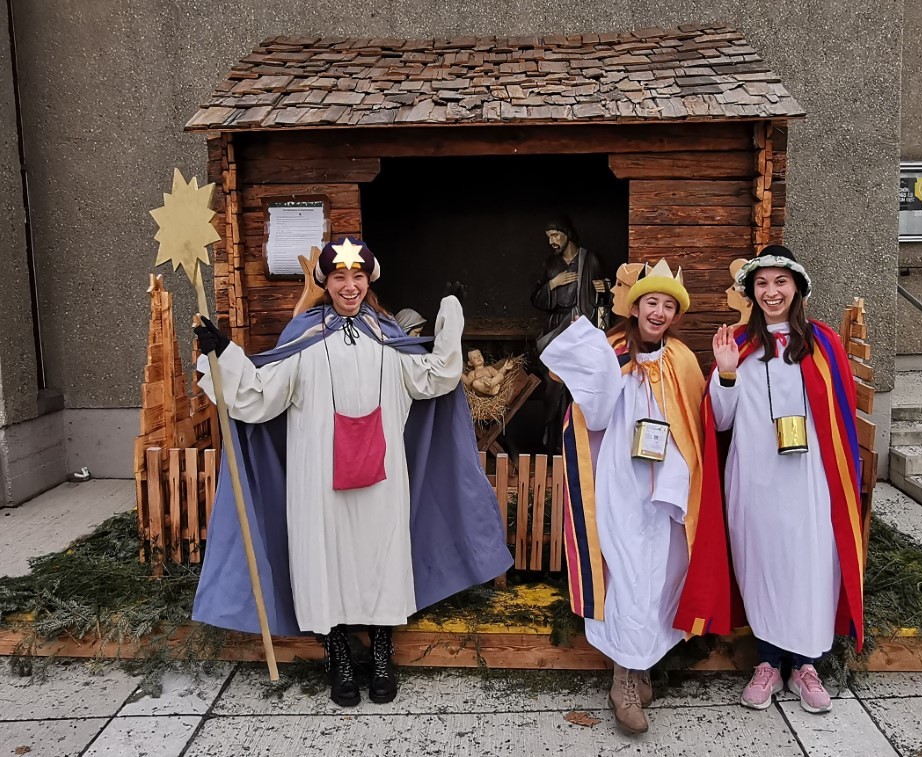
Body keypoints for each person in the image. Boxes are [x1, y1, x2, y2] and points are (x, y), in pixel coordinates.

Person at [191, 237, 513, 706]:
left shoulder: (386, 336)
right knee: (323, 559)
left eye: (357, 276)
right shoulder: (303, 338)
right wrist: (224, 353)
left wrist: (449, 321)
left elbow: (434, 377)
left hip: (382, 479)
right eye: (340, 276)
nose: (349, 286)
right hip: (317, 480)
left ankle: (381, 652)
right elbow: (258, 393)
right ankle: (338, 654)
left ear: (368, 280)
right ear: (325, 283)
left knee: (380, 557)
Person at [674, 245, 864, 715]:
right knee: (762, 566)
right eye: (762, 283)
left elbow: (840, 422)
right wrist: (725, 373)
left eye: (780, 281)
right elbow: (720, 422)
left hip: (807, 481)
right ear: (751, 291)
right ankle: (768, 663)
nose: (771, 291)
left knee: (808, 567)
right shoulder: (738, 344)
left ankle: (806, 666)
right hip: (754, 479)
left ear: (797, 287)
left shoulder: (822, 344)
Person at [540, 259, 705, 734]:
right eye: (651, 301)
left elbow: (696, 422)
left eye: (668, 305)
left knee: (662, 578)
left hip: (668, 491)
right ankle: (622, 682)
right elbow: (592, 415)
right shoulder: (611, 351)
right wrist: (593, 365)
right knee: (628, 577)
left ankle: (642, 664)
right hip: (621, 484)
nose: (659, 312)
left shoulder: (682, 360)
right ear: (635, 307)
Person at [530, 217, 603, 454]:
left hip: (580, 330)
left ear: (567, 233)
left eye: (555, 235)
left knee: (577, 387)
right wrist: (553, 284)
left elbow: (604, 299)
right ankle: (552, 442)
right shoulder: (551, 264)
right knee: (553, 383)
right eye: (548, 237)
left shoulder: (589, 260)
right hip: (555, 330)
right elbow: (536, 299)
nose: (552, 241)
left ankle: (574, 443)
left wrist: (605, 290)